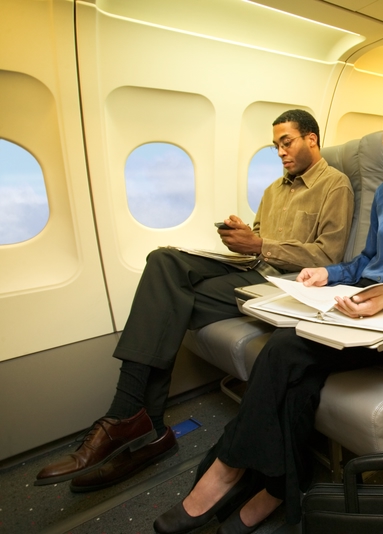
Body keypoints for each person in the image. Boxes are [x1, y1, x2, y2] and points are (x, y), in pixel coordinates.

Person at [152, 94, 383, 534]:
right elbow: (364, 262)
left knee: (283, 351)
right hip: (355, 311)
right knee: (298, 382)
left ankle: (226, 469)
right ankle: (280, 490)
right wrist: (325, 275)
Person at [35, 110, 354, 492]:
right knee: (163, 261)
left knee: (168, 302)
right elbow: (255, 241)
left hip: (285, 285)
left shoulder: (335, 185)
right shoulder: (273, 191)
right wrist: (241, 237)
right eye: (276, 146)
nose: (281, 152)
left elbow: (329, 257)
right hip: (252, 269)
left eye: (287, 142)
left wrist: (261, 245)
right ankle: (140, 423)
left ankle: (133, 420)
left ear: (312, 140)